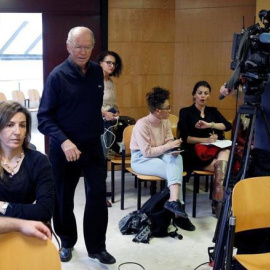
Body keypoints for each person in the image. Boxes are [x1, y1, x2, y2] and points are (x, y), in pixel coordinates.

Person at [37, 26, 116, 264]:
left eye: (87, 46)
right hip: (65, 148)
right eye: (77, 46)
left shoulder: (95, 73)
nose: (82, 51)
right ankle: (67, 241)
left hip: (92, 146)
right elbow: (44, 118)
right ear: (68, 46)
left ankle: (97, 247)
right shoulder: (57, 76)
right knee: (63, 197)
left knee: (97, 195)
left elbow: (88, 106)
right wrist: (64, 141)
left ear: (94, 48)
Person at [130, 86, 195, 231]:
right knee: (174, 172)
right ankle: (179, 214)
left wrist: (173, 149)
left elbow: (168, 141)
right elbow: (146, 152)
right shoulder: (142, 125)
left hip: (161, 154)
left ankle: (173, 201)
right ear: (158, 111)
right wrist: (168, 147)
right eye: (167, 108)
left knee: (177, 160)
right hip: (141, 159)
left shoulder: (165, 121)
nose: (170, 110)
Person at [178, 81, 232, 217]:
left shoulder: (212, 111)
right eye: (200, 93)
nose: (203, 96)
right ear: (194, 95)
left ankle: (219, 200)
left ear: (209, 95)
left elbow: (227, 126)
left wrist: (210, 125)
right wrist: (206, 140)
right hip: (193, 151)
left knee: (226, 152)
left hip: (212, 150)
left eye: (206, 93)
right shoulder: (186, 112)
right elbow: (185, 138)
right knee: (225, 167)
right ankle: (219, 201)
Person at [0, 101, 54, 222]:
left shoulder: (39, 161)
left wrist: (3, 207)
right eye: (10, 125)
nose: (17, 132)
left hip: (30, 230)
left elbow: (45, 211)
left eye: (22, 125)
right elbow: (37, 211)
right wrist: (29, 211)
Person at [97, 50, 123, 207]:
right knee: (99, 158)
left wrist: (116, 111)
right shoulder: (94, 80)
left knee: (104, 157)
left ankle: (100, 190)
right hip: (98, 123)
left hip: (109, 122)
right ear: (100, 62)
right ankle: (98, 195)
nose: (112, 65)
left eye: (114, 63)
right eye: (108, 62)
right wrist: (105, 113)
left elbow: (111, 103)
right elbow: (89, 105)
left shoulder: (111, 82)